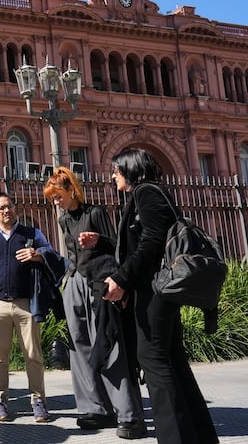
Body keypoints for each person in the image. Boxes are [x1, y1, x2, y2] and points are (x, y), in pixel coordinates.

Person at [104, 148, 218, 444]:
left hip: (156, 291)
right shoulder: (147, 194)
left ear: (129, 169)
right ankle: (200, 437)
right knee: (172, 360)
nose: (113, 176)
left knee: (153, 359)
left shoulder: (146, 192)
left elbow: (152, 242)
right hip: (155, 290)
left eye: (116, 170)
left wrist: (121, 279)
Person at [43, 168, 146, 439]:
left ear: (72, 190)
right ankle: (95, 409)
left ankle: (129, 415)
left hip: (99, 282)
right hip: (75, 282)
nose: (56, 202)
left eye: (58, 196)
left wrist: (99, 240)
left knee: (108, 344)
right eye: (52, 198)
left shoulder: (96, 213)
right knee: (79, 346)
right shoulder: (64, 220)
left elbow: (118, 248)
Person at [0, 192, 57, 423]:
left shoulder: (32, 234)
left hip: (26, 303)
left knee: (33, 355)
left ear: (15, 209)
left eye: (9, 206)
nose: (6, 211)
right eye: (1, 208)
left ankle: (38, 401)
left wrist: (37, 254)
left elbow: (52, 256)